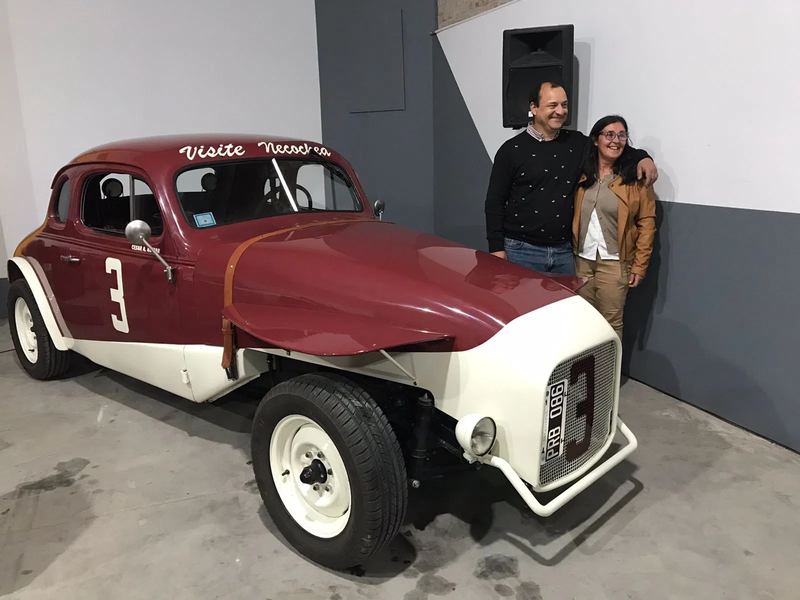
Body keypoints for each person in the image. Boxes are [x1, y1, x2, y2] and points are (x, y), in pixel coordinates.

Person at [484, 81, 658, 275]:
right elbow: (495, 202)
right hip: (521, 251)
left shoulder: (577, 143)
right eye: (552, 105)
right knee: (522, 305)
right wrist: (496, 249)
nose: (560, 111)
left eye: (564, 105)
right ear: (534, 107)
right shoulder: (511, 150)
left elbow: (615, 148)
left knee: (562, 306)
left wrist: (644, 157)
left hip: (564, 253)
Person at [572, 115, 656, 340]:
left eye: (621, 135)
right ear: (596, 140)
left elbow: (647, 224)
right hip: (582, 261)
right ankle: (587, 374)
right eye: (609, 134)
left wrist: (639, 265)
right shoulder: (582, 175)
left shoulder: (635, 179)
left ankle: (608, 375)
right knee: (584, 322)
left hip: (615, 265)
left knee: (610, 325)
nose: (615, 140)